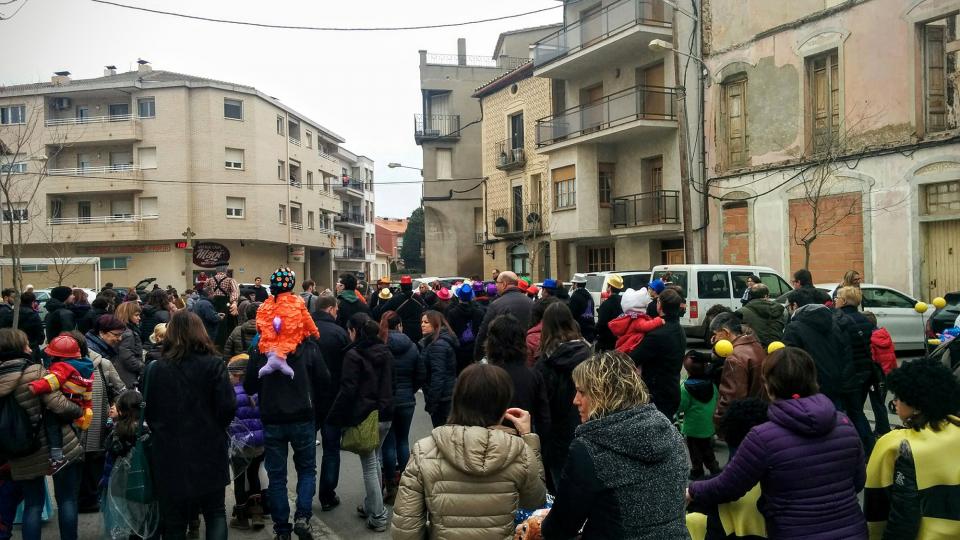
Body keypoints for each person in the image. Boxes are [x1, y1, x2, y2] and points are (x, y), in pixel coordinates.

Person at [688, 347, 868, 540]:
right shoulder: (844, 424)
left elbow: (727, 487)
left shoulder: (762, 437)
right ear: (813, 380)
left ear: (769, 387)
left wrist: (693, 490)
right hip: (853, 531)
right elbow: (858, 482)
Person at [541, 351, 689, 538]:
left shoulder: (590, 448)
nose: (575, 400)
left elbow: (561, 527)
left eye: (582, 392)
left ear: (602, 395)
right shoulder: (667, 430)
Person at [391, 364, 546, 538]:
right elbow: (536, 499)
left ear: (457, 401)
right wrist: (528, 436)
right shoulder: (520, 452)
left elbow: (405, 530)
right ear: (503, 407)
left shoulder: (424, 451)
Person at [244, 268, 329, 540]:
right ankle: (303, 516)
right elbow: (325, 379)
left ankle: (282, 530)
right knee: (306, 469)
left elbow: (249, 385)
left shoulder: (260, 348)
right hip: (303, 415)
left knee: (277, 476)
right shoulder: (307, 346)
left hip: (272, 417)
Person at [144, 310, 236, 539]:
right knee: (215, 513)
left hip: (168, 451)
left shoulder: (155, 368)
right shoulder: (214, 364)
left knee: (173, 519)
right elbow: (227, 407)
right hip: (209, 448)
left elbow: (150, 411)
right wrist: (214, 426)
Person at [0, 328, 84, 540]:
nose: (30, 347)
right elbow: (58, 405)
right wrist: (79, 410)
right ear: (18, 348)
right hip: (58, 444)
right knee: (67, 500)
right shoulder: (35, 371)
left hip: (20, 449)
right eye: (26, 344)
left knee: (32, 504)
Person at [865, 358, 960, 538]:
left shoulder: (901, 446)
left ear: (916, 407)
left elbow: (902, 517)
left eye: (899, 397)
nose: (895, 403)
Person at [326, 313, 393, 532]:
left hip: (365, 415)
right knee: (375, 460)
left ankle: (379, 515)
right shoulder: (385, 351)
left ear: (354, 331)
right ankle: (371, 505)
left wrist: (334, 417)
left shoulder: (353, 356)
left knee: (370, 466)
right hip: (385, 414)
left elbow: (348, 390)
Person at [535, 302, 592, 490]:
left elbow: (542, 406)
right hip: (587, 430)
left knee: (561, 490)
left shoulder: (545, 363)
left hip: (557, 436)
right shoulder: (588, 355)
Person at [68, 329, 124, 513]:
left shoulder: (103, 364)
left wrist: (115, 408)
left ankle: (89, 500)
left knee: (93, 464)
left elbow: (120, 390)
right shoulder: (59, 367)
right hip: (72, 431)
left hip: (96, 427)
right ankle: (79, 499)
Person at [781, 287, 855, 408]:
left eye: (788, 306)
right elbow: (844, 352)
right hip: (835, 386)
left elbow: (790, 362)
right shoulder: (833, 322)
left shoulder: (793, 328)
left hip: (809, 391)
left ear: (794, 305)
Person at [379, 310, 424, 506]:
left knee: (388, 444)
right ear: (399, 325)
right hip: (407, 400)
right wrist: (411, 391)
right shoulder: (412, 346)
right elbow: (420, 374)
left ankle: (391, 486)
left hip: (386, 401)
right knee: (403, 441)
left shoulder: (380, 345)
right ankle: (406, 483)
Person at [310, 295, 350, 512]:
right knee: (331, 449)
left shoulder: (303, 330)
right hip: (334, 398)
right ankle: (327, 495)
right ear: (331, 309)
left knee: (305, 450)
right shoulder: (340, 333)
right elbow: (348, 368)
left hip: (308, 398)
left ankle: (304, 494)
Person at [486, 314, 551, 436]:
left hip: (488, 442)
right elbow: (543, 419)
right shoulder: (534, 376)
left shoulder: (483, 375)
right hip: (522, 441)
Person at [833, 285, 878, 455]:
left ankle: (862, 449)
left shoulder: (840, 321)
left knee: (852, 412)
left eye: (837, 297)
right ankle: (869, 446)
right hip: (866, 371)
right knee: (857, 411)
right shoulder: (864, 320)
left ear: (843, 301)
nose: (835, 300)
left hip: (850, 373)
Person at [630, 288, 687, 419]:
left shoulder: (657, 334)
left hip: (657, 394)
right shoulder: (679, 329)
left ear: (659, 304)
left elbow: (631, 359)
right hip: (672, 388)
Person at [227, 354, 266, 531]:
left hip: (240, 444)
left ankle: (241, 517)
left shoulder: (231, 394)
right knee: (254, 475)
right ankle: (257, 513)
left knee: (239, 479)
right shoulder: (258, 392)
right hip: (259, 443)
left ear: (237, 375)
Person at [709, 312, 766, 432]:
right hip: (759, 416)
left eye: (716, 335)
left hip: (741, 425)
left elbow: (731, 397)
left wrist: (719, 421)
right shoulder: (755, 345)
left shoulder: (734, 358)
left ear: (725, 332)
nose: (715, 339)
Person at [678, 352, 720, 479]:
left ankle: (697, 471)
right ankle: (714, 468)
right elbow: (717, 398)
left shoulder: (685, 388)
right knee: (707, 449)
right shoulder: (712, 385)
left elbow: (681, 407)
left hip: (692, 428)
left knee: (695, 452)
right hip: (708, 426)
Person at [474, 271, 532, 361]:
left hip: (504, 358)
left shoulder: (496, 305)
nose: (496, 286)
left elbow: (483, 332)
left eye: (497, 282)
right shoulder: (531, 303)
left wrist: (477, 356)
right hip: (526, 356)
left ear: (504, 284)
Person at [419, 310, 458, 427]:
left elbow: (438, 375)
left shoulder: (437, 345)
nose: (422, 324)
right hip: (445, 395)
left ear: (436, 324)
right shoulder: (436, 342)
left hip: (442, 398)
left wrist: (432, 402)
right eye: (421, 322)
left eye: (426, 322)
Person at [607, 287, 665, 354]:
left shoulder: (629, 316)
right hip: (630, 347)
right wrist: (658, 321)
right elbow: (645, 326)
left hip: (625, 345)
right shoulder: (637, 318)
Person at [863, 310, 893, 436]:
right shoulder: (884, 335)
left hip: (876, 375)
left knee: (877, 405)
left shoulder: (870, 338)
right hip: (887, 373)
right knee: (880, 403)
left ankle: (882, 430)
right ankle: (883, 428)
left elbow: (872, 358)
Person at [445, 283, 484, 374]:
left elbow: (450, 333)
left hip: (459, 351)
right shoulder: (479, 312)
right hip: (475, 350)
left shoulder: (452, 313)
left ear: (459, 297)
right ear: (471, 297)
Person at [375, 275, 425, 343]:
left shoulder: (396, 299)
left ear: (401, 286)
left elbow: (382, 311)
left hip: (403, 331)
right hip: (419, 330)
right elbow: (426, 309)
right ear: (411, 285)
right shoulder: (418, 298)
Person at [736, 284, 785, 348]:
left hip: (754, 350)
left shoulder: (741, 312)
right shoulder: (780, 309)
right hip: (776, 349)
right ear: (766, 296)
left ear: (750, 296)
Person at [204, 263, 240, 348]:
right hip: (225, 303)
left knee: (213, 321)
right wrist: (234, 302)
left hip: (212, 303)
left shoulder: (209, 280)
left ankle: (212, 342)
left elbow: (205, 290)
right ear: (226, 269)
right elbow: (235, 291)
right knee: (225, 324)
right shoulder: (230, 280)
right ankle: (224, 344)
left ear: (216, 270)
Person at [114, 301, 144, 390]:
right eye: (136, 315)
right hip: (126, 375)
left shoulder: (119, 330)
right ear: (127, 315)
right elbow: (126, 357)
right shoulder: (128, 333)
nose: (139, 318)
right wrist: (141, 366)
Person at [595, 274, 625, 352]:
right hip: (620, 342)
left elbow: (601, 325)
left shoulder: (606, 305)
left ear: (610, 287)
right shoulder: (624, 302)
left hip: (606, 344)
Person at [567, 274, 597, 343]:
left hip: (580, 332)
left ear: (576, 284)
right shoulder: (589, 296)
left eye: (573, 284)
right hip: (590, 332)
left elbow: (571, 315)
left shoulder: (575, 296)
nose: (572, 286)